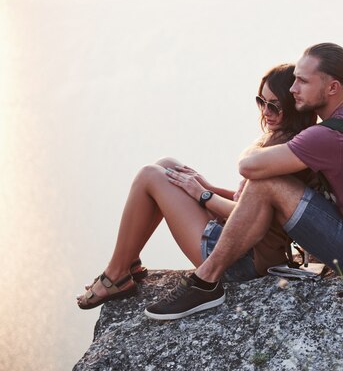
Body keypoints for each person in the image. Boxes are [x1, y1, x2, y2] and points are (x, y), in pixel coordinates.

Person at [144, 43, 343, 321]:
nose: (294, 89)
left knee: (265, 181)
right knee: (169, 167)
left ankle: (206, 281)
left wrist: (258, 148)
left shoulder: (326, 135)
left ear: (333, 87)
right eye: (294, 79)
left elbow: (248, 166)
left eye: (303, 81)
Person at [77, 63, 316, 309]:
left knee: (149, 175)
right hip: (244, 245)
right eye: (261, 102)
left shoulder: (285, 154)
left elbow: (253, 219)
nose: (266, 111)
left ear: (294, 105)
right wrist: (207, 186)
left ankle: (116, 273)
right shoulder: (284, 142)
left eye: (274, 105)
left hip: (240, 260)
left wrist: (203, 194)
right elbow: (249, 202)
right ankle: (129, 261)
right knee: (167, 165)